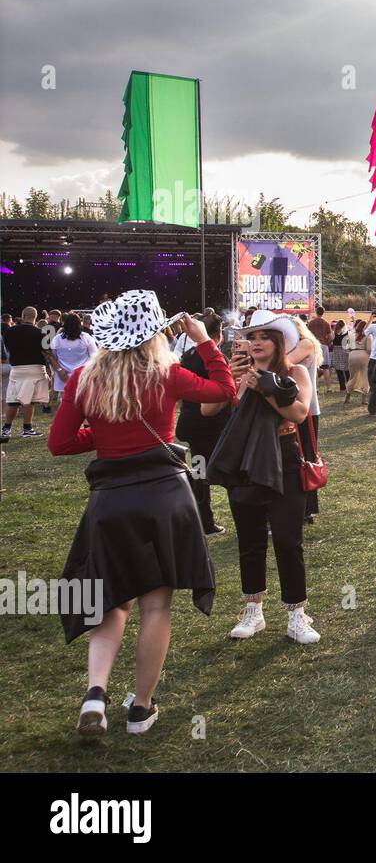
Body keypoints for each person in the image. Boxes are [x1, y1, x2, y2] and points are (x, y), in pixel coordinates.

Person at [48, 292, 235, 735]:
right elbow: (223, 392)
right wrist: (204, 341)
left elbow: (59, 443)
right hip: (165, 498)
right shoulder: (167, 373)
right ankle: (141, 709)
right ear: (154, 332)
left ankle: (95, 693)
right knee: (156, 605)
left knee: (111, 600)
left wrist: (108, 434)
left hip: (110, 501)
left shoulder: (82, 379)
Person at [206, 309, 319, 644]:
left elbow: (298, 413)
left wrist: (265, 389)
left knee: (287, 539)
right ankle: (252, 611)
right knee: (250, 539)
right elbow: (209, 409)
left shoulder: (296, 371)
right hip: (245, 461)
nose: (254, 343)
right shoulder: (238, 374)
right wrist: (230, 379)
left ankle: (297, 615)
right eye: (251, 337)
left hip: (284, 459)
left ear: (278, 341)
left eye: (263, 337)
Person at [175, 312, 231, 536]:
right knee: (232, 472)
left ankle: (204, 522)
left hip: (192, 426)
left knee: (199, 475)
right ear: (219, 335)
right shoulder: (217, 360)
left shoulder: (187, 356)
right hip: (216, 428)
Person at [288, 315, 326, 521]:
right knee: (298, 457)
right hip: (298, 408)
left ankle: (306, 508)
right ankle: (303, 508)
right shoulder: (301, 344)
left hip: (307, 410)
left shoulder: (305, 343)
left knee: (306, 458)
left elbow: (285, 362)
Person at [2, 306, 53, 439]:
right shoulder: (41, 333)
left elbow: (8, 349)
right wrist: (52, 370)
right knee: (29, 400)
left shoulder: (9, 331)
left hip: (16, 368)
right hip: (35, 368)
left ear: (23, 315)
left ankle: (6, 429)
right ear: (35, 317)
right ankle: (27, 428)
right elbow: (46, 353)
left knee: (13, 400)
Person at [47, 312, 98, 416]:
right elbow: (94, 357)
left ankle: (64, 424)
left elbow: (53, 358)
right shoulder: (86, 337)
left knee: (64, 401)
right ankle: (83, 425)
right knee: (84, 401)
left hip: (64, 375)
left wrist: (60, 371)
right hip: (82, 375)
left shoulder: (57, 339)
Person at [345, 319, 371, 404]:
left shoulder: (352, 335)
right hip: (364, 355)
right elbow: (369, 349)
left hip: (352, 355)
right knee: (365, 377)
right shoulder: (368, 336)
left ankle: (348, 395)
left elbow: (348, 347)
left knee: (352, 376)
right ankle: (363, 399)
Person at [329, 320, 349, 391]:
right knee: (347, 370)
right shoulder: (347, 333)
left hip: (336, 352)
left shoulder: (334, 333)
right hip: (345, 352)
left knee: (339, 371)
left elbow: (330, 341)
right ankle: (349, 386)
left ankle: (342, 387)